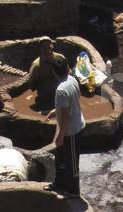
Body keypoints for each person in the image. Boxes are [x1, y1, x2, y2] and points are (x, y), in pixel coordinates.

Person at [49, 54, 86, 197]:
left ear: (54, 72)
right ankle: (59, 184)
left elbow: (66, 116)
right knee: (60, 160)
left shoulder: (61, 90)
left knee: (71, 164)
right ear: (67, 69)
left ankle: (73, 191)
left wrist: (60, 136)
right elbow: (72, 102)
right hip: (73, 126)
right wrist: (55, 110)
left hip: (72, 131)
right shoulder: (72, 80)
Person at [26, 36, 66, 110]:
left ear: (52, 45)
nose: (47, 48)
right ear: (40, 49)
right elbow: (31, 85)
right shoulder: (37, 65)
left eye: (48, 45)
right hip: (45, 92)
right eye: (44, 46)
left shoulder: (60, 58)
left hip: (60, 88)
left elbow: (68, 73)